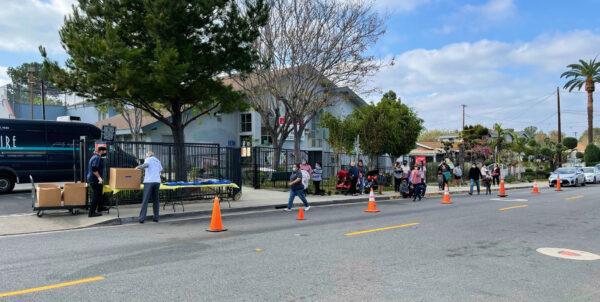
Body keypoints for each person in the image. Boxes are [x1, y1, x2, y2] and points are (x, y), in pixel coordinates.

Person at [136, 151, 163, 223]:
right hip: (157, 181)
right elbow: (161, 169)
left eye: (146, 155)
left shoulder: (148, 159)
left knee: (145, 200)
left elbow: (145, 165)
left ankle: (142, 218)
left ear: (148, 155)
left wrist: (137, 167)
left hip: (149, 181)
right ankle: (156, 217)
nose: (146, 156)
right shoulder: (157, 160)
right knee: (156, 200)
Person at [87, 146, 108, 217]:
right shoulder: (97, 158)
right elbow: (94, 169)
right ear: (101, 151)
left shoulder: (94, 157)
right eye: (105, 151)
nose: (106, 153)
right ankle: (91, 213)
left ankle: (100, 208)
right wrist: (99, 178)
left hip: (93, 179)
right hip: (95, 179)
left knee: (99, 194)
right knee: (96, 196)